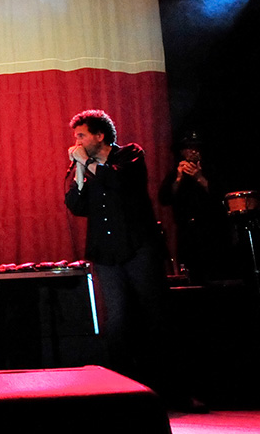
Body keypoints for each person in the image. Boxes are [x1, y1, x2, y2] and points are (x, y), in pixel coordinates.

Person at [64, 110, 202, 410]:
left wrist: (86, 164)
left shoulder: (130, 155)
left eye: (81, 135)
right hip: (105, 252)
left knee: (157, 319)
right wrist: (78, 172)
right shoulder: (86, 167)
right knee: (118, 323)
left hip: (138, 246)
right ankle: (127, 397)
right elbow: (76, 205)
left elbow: (118, 182)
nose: (76, 141)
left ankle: (175, 393)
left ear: (99, 136)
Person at [158, 132, 228, 283]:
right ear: (182, 151)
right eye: (188, 148)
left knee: (217, 275)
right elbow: (164, 199)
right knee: (193, 276)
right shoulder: (175, 173)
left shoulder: (212, 169)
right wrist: (178, 179)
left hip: (212, 229)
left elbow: (222, 196)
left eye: (195, 148)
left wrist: (200, 177)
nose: (193, 152)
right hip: (187, 232)